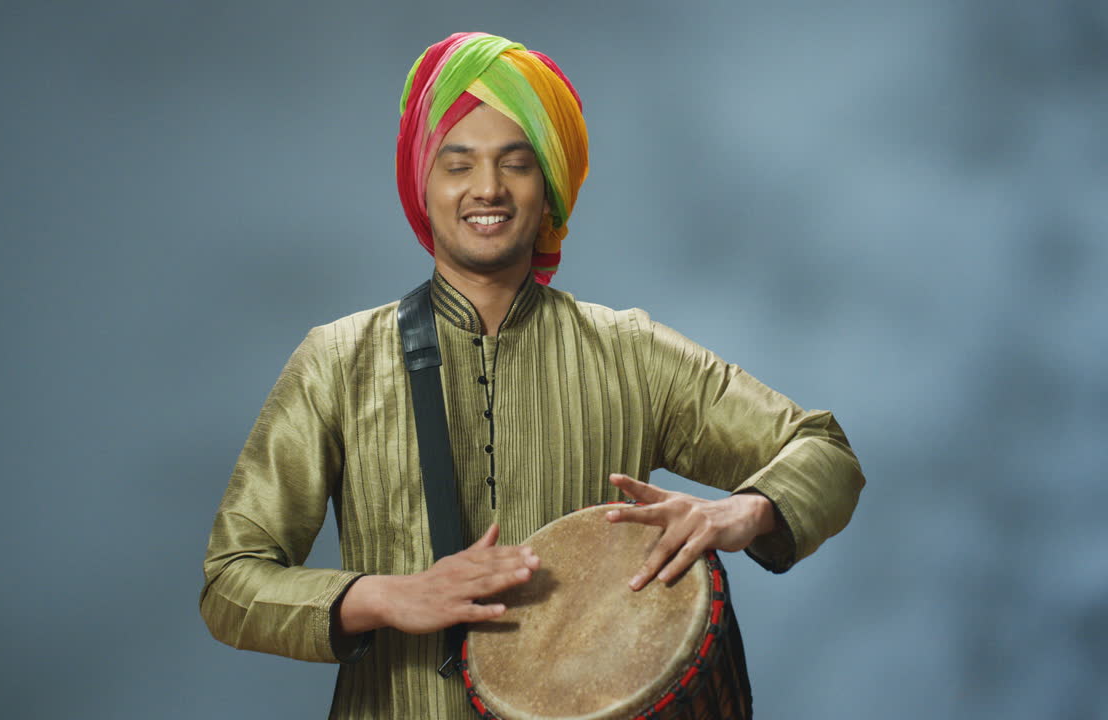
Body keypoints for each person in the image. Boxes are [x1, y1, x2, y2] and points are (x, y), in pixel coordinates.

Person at [200, 31, 864, 719]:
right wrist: (387, 595)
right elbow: (230, 584)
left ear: (548, 187)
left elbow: (827, 453)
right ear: (421, 184)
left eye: (514, 164)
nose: (486, 188)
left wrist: (737, 512)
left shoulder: (630, 353)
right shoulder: (337, 361)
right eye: (458, 165)